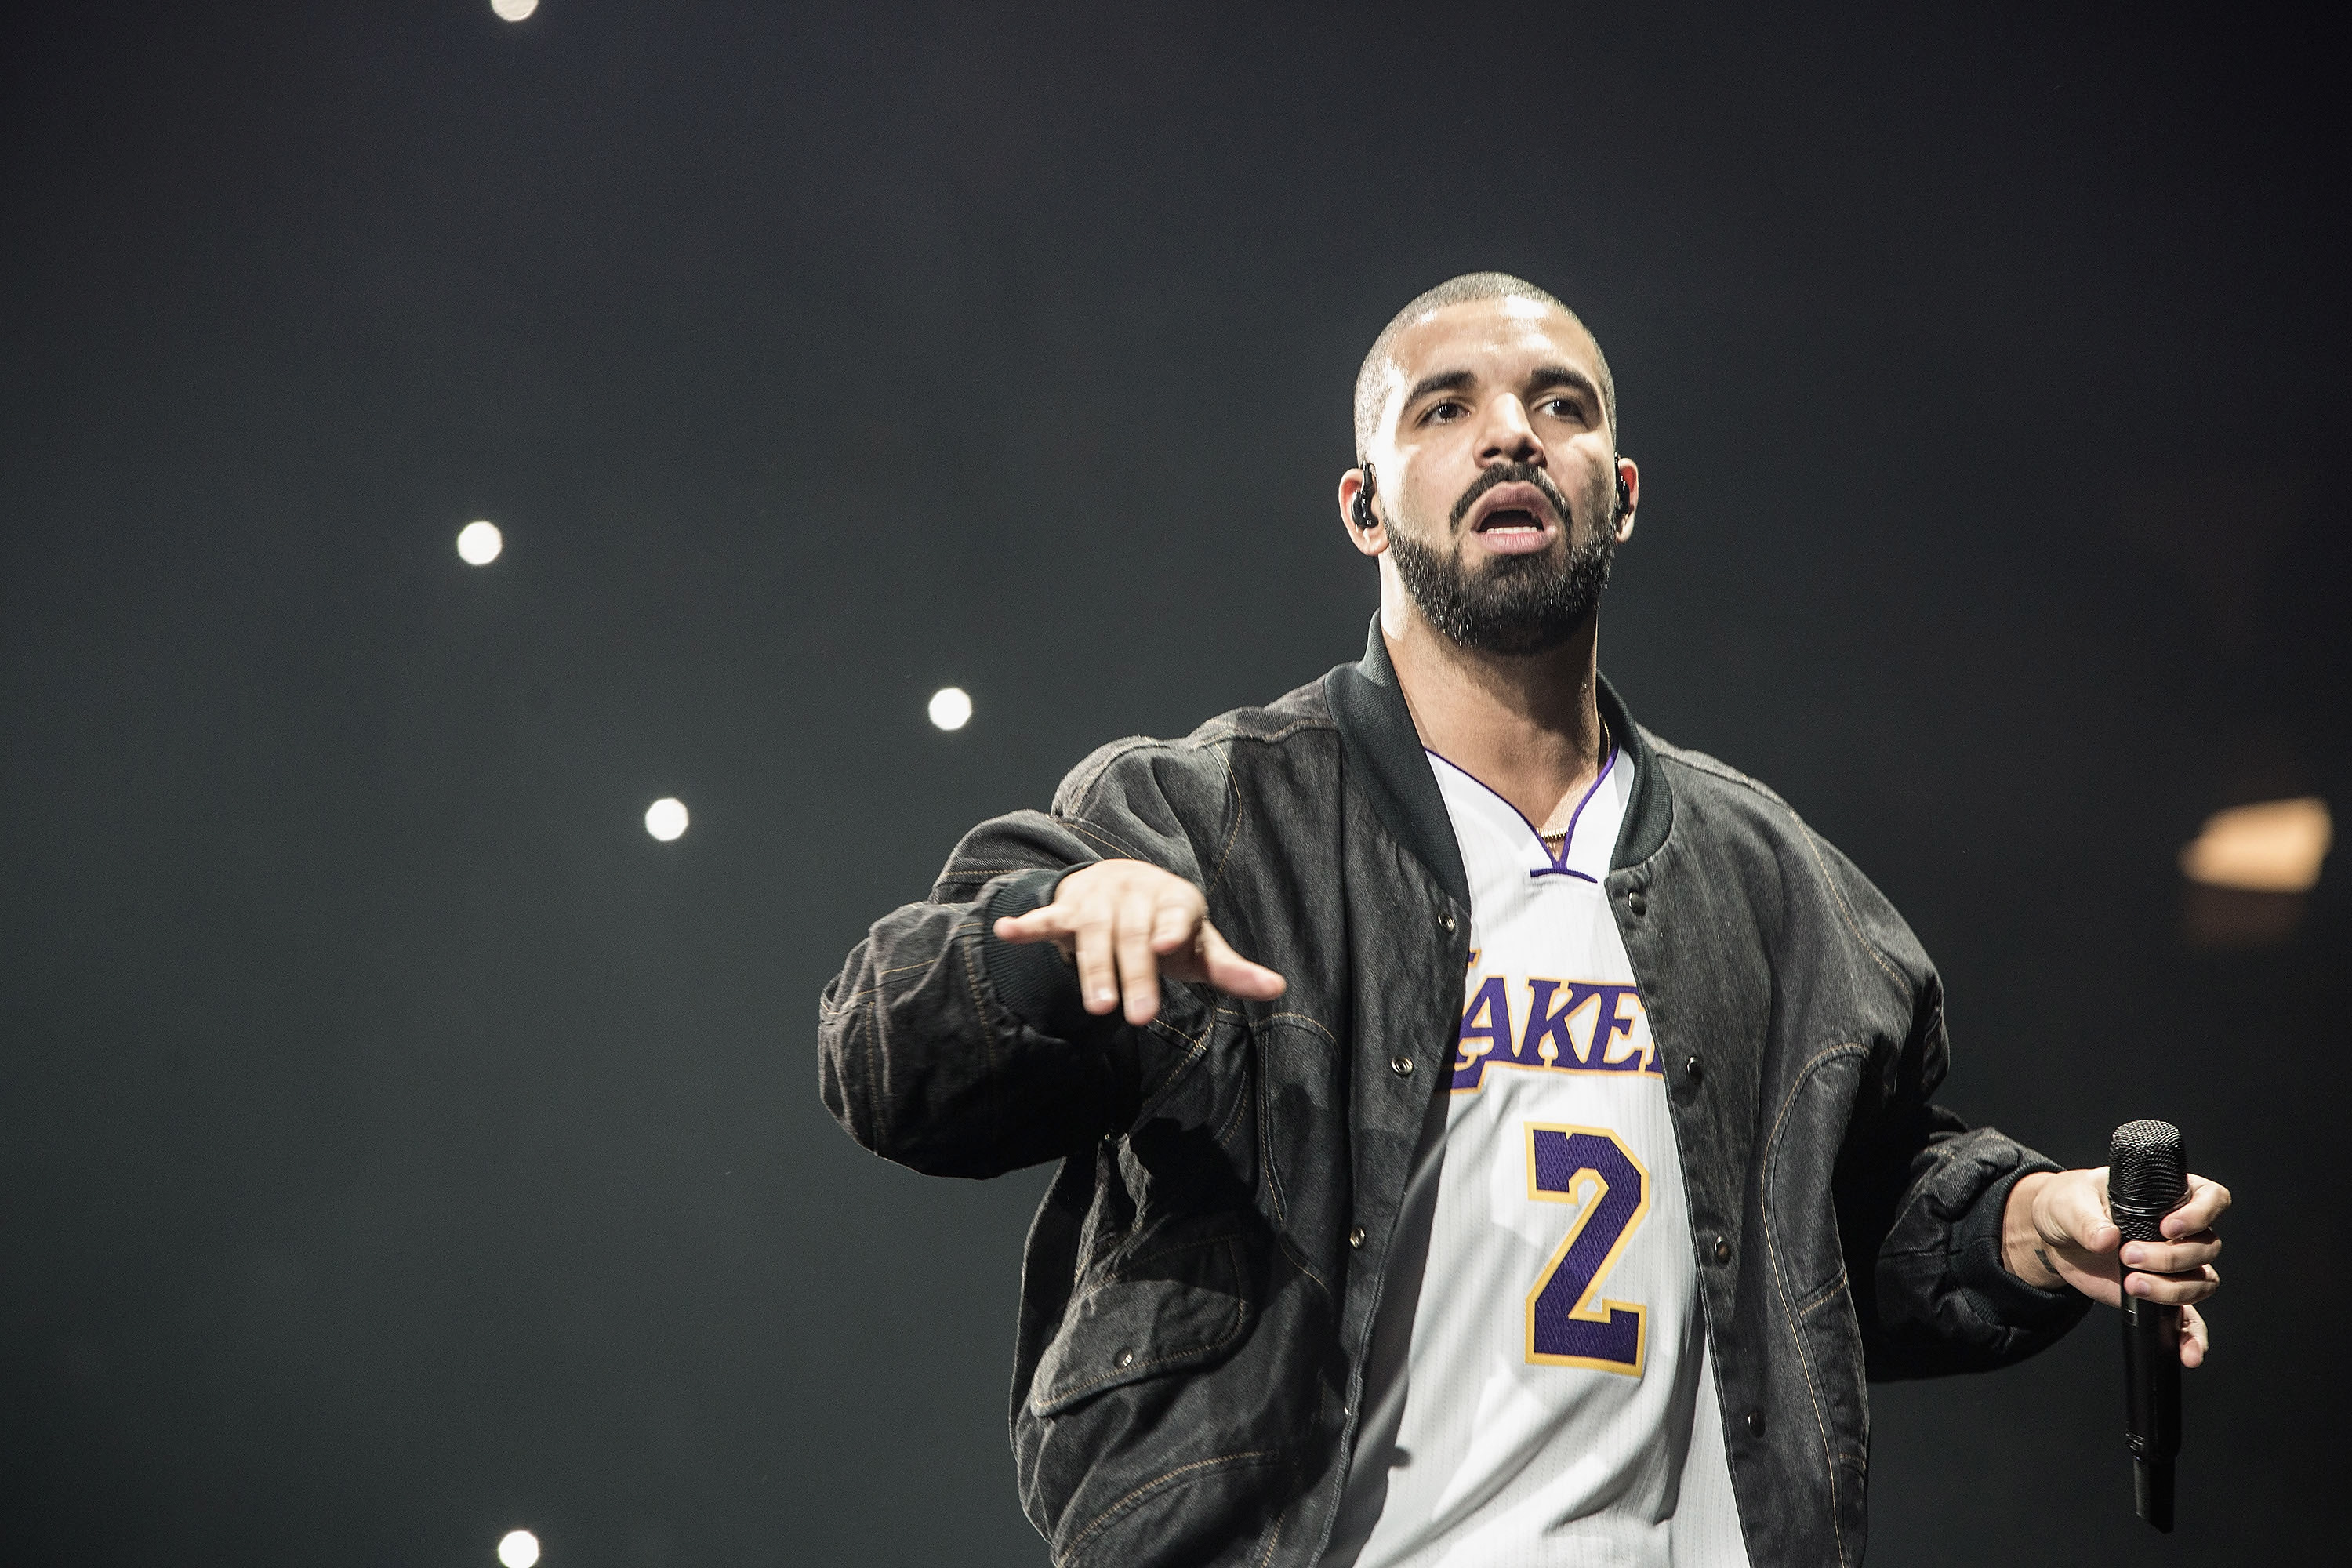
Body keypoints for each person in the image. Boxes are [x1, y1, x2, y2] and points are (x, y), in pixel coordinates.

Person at [816, 273, 2230, 1567]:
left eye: (1560, 406)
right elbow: (886, 1054)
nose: (1512, 434)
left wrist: (2024, 1225)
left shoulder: (1775, 879)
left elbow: (1836, 1214)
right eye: (1449, 407)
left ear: (1619, 493)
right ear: (1366, 505)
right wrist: (1053, 939)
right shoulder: (1212, 821)